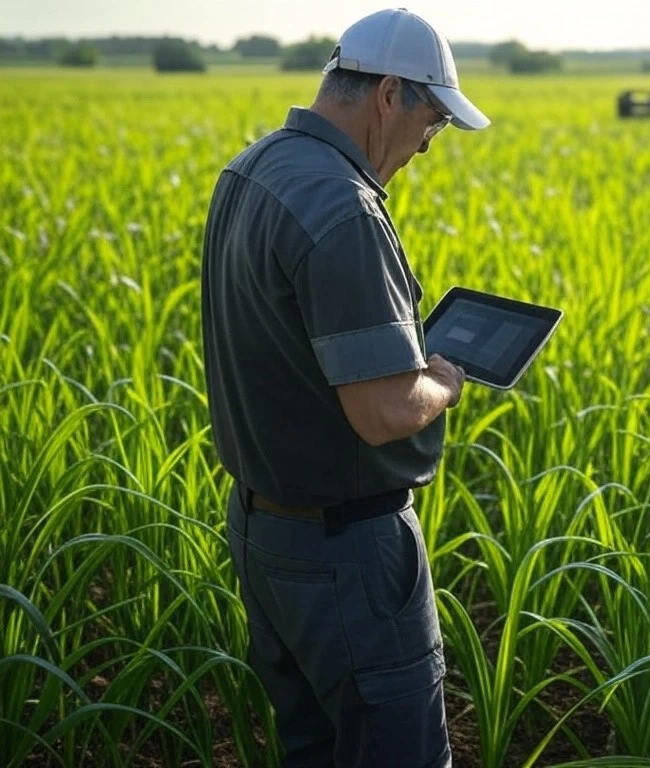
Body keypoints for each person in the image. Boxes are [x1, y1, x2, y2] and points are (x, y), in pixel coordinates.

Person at [199, 8, 489, 767]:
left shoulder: (253, 168)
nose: (431, 142)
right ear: (391, 93)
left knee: (316, 750)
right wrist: (444, 381)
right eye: (433, 119)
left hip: (266, 536)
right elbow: (387, 411)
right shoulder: (346, 210)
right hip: (348, 554)